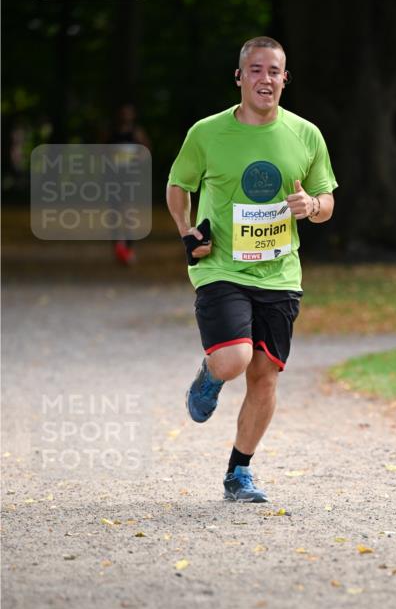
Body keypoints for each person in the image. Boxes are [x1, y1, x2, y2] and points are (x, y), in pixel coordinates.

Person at [166, 36, 337, 502]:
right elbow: (178, 184)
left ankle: (238, 473)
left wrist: (312, 204)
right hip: (221, 266)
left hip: (281, 274)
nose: (266, 79)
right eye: (256, 70)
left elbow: (326, 203)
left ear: (286, 79)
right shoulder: (207, 132)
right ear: (240, 78)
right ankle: (209, 373)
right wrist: (185, 229)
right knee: (233, 360)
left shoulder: (306, 134)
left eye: (274, 71)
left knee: (264, 376)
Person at [104, 103, 151, 265]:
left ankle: (127, 247)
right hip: (113, 177)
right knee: (114, 212)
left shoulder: (136, 133)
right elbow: (101, 152)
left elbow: (146, 152)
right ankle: (118, 246)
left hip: (129, 177)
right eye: (123, 113)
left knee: (128, 212)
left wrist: (136, 162)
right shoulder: (111, 133)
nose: (125, 117)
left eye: (128, 113)